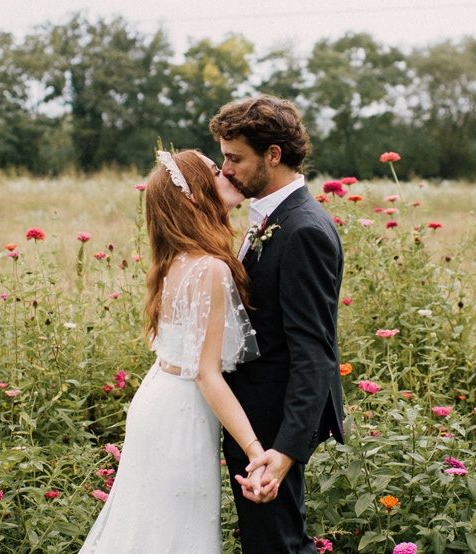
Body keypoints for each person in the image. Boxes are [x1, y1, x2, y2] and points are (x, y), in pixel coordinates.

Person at [80, 149, 272, 553]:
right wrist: (257, 452)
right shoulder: (210, 268)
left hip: (160, 398)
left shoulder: (176, 260)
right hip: (181, 414)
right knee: (175, 534)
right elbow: (206, 373)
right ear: (195, 197)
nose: (230, 176)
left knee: (153, 530)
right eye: (217, 173)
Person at [209, 95, 345, 553]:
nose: (224, 169)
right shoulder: (268, 216)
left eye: (235, 158)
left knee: (279, 546)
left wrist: (284, 451)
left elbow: (315, 351)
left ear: (273, 154)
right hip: (255, 414)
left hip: (272, 422)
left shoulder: (303, 229)